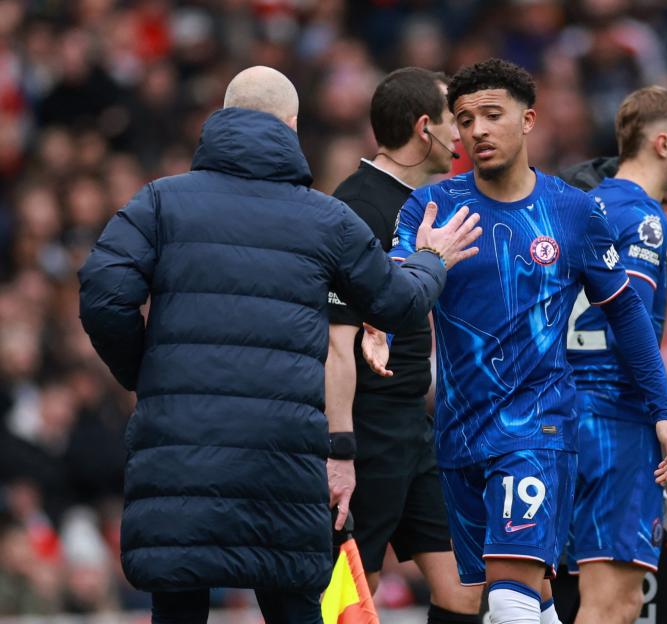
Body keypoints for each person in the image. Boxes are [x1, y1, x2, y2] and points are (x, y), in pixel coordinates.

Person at [77, 65, 482, 624]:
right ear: (292, 126)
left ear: (221, 116)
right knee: (293, 603)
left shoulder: (160, 203)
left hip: (180, 448)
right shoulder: (326, 219)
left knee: (178, 598)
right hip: (285, 457)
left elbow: (103, 295)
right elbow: (398, 304)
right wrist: (431, 258)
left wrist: (144, 371)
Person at [363, 58, 667, 624]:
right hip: (460, 432)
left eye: (493, 115)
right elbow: (395, 287)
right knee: (522, 599)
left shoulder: (573, 212)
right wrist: (395, 309)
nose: (477, 130)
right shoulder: (432, 207)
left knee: (510, 593)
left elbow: (628, 316)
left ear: (529, 119)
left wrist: (663, 409)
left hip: (538, 425)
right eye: (464, 119)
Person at [324, 67, 482, 622]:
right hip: (369, 431)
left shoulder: (425, 206)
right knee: (354, 601)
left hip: (417, 427)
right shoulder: (355, 210)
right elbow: (335, 345)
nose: (462, 137)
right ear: (424, 129)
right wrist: (340, 450)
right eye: (453, 122)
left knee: (467, 588)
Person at [560, 86, 667, 624]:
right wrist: (664, 410)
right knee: (614, 604)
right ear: (662, 143)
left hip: (555, 412)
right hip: (614, 419)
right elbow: (632, 322)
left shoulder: (575, 206)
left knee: (537, 601)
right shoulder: (644, 217)